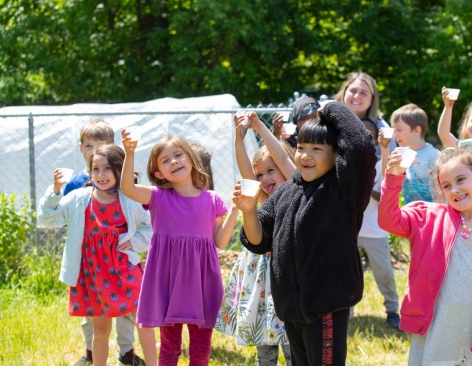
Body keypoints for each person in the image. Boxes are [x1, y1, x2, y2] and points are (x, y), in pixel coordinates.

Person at [234, 101, 377, 365]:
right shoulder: (288, 191)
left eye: (316, 149)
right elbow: (257, 241)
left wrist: (332, 108)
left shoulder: (344, 191)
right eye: (300, 148)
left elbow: (361, 147)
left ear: (336, 155)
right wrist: (249, 210)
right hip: (291, 309)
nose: (305, 155)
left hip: (325, 307)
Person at [378, 146, 472, 365]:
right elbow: (388, 219)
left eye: (461, 179)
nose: (454, 189)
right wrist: (394, 176)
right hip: (436, 328)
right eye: (446, 185)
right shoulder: (426, 217)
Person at [38, 145, 157, 366]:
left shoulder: (129, 200)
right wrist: (55, 191)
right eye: (95, 169)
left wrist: (135, 242)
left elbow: (153, 225)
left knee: (144, 321)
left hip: (125, 271)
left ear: (120, 170)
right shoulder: (78, 199)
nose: (101, 175)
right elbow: (48, 219)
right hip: (95, 275)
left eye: (107, 169)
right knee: (101, 329)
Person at [120, 134, 234, 365]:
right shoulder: (158, 197)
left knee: (201, 351)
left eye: (178, 155)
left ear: (191, 159)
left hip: (201, 284)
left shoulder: (212, 199)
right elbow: (128, 189)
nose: (173, 161)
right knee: (170, 350)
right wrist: (130, 153)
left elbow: (219, 241)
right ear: (158, 173)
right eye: (165, 160)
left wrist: (236, 210)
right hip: (168, 284)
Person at [60, 120, 146, 366]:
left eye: (101, 145)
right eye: (88, 146)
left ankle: (127, 352)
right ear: (81, 149)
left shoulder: (119, 176)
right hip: (91, 262)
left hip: (116, 263)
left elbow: (140, 214)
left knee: (126, 311)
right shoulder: (76, 183)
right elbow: (70, 215)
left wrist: (135, 242)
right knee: (93, 315)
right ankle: (90, 352)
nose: (93, 151)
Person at [216, 111, 295, 365]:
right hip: (262, 283)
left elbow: (286, 163)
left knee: (293, 345)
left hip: (288, 282)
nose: (264, 179)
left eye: (271, 170)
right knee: (265, 343)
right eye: (260, 175)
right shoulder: (261, 200)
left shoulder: (296, 196)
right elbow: (246, 172)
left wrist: (260, 128)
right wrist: (239, 141)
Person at [354, 119, 400, 329]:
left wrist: (384, 146)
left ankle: (392, 310)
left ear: (374, 141)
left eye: (368, 134)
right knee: (346, 272)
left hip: (375, 229)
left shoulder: (380, 163)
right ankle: (346, 311)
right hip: (350, 230)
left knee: (384, 274)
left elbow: (384, 192)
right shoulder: (345, 161)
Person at [334, 71, 396, 157]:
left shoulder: (383, 129)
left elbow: (390, 167)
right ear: (344, 93)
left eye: (363, 93)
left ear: (372, 100)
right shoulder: (324, 113)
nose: (356, 96)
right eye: (353, 90)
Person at [387, 103, 440, 203]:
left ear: (416, 130)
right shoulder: (401, 154)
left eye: (399, 129)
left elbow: (439, 194)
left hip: (429, 215)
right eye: (393, 130)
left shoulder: (434, 157)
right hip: (409, 215)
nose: (394, 134)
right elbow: (389, 181)